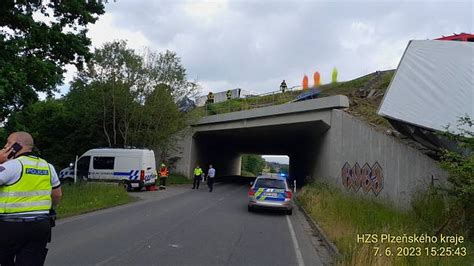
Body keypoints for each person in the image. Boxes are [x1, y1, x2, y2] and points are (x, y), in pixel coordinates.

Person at [0, 132, 62, 265]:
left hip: (10, 226)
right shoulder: (48, 166)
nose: (5, 146)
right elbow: (57, 195)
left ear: (17, 146)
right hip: (41, 225)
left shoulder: (12, 166)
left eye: (8, 143)